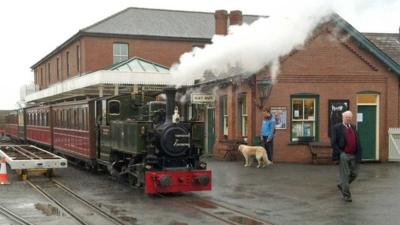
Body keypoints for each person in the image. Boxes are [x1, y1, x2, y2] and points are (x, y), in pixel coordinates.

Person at [331, 110, 362, 202]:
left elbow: (357, 141)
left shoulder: (353, 127)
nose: (348, 119)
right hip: (344, 154)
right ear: (343, 118)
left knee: (354, 174)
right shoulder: (337, 128)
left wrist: (359, 153)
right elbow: (333, 142)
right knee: (345, 175)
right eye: (346, 117)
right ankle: (347, 195)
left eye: (349, 117)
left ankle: (342, 186)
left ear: (351, 118)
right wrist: (341, 153)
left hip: (354, 154)